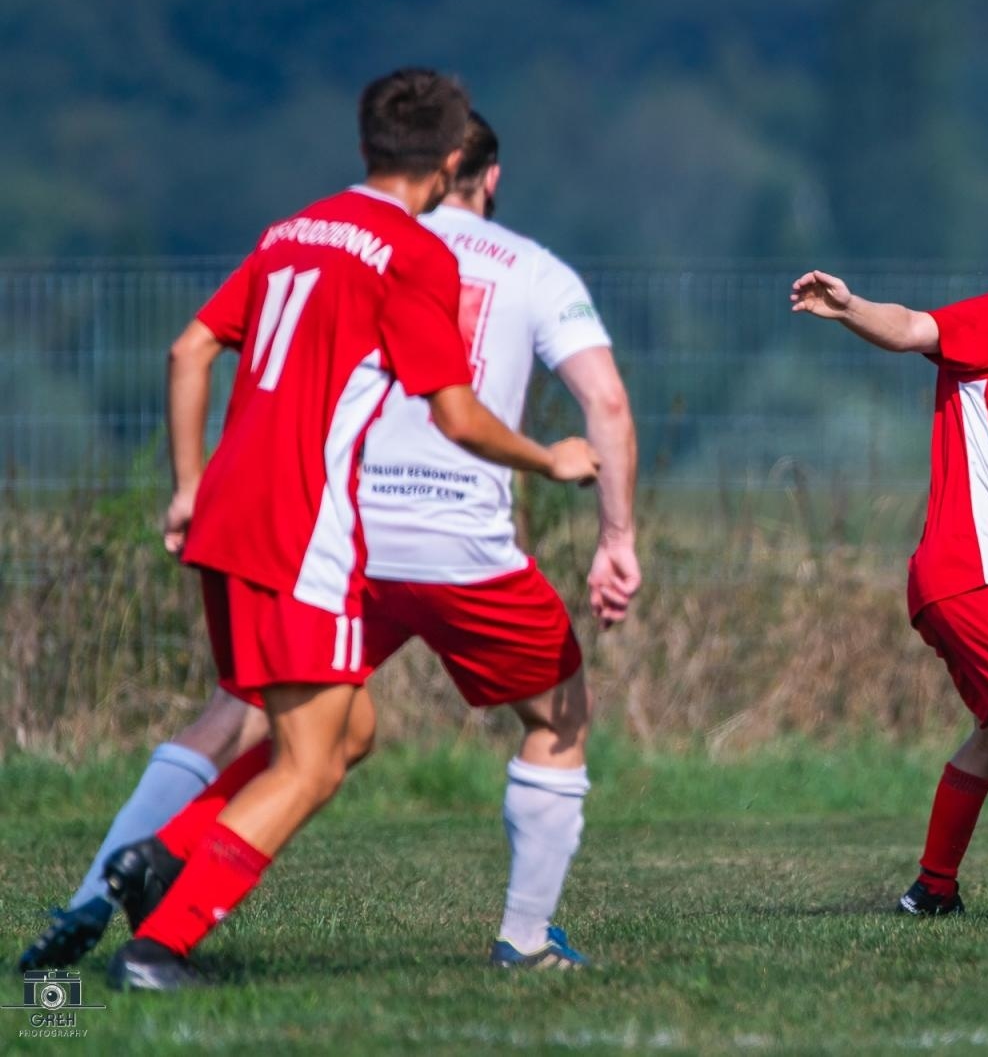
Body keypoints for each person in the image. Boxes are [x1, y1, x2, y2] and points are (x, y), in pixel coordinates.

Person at [19, 112, 637, 978]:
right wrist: (605, 522)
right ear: (481, 174)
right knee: (546, 714)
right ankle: (522, 939)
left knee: (276, 721)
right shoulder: (511, 266)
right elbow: (596, 403)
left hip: (334, 531)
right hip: (437, 541)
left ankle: (116, 878)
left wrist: (195, 482)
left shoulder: (323, 241)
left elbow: (204, 349)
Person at [791, 220, 988, 923]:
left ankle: (932, 888)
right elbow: (912, 328)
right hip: (975, 572)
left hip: (978, 579)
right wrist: (850, 308)